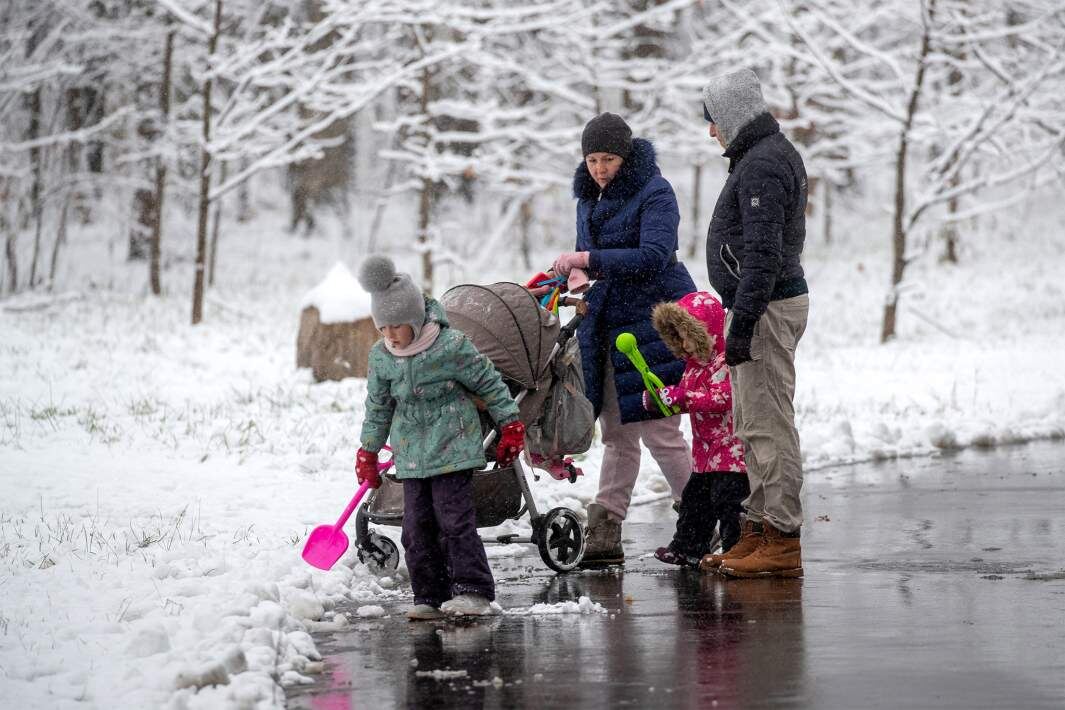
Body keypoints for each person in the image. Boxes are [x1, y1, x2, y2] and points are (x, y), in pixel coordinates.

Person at [550, 112, 696, 567]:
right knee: (616, 433)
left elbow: (654, 255)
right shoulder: (587, 198)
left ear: (626, 156)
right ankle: (606, 526)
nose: (599, 168)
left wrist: (588, 259)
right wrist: (577, 274)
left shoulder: (655, 191)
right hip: (606, 324)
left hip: (652, 321)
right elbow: (593, 260)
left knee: (660, 430)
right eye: (592, 159)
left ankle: (703, 517)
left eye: (608, 159)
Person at [354, 255, 526, 618]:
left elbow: (489, 383)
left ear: (415, 320)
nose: (390, 335)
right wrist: (368, 451)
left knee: (454, 522)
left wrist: (510, 423)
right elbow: (378, 407)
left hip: (453, 447)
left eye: (397, 326)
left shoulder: (450, 346)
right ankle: (429, 595)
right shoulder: (382, 357)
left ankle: (473, 590)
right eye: (383, 327)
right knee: (415, 528)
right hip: (411, 455)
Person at [697, 69, 810, 578]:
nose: (711, 131)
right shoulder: (760, 156)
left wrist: (743, 321)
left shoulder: (763, 163)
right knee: (751, 425)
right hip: (758, 306)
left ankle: (782, 539)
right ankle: (759, 529)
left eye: (714, 120)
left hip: (764, 308)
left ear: (733, 115)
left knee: (769, 426)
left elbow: (763, 253)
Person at [643, 291, 748, 568]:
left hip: (730, 454)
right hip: (704, 454)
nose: (685, 344)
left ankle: (735, 549)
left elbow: (723, 398)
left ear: (708, 332)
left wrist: (683, 397)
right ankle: (688, 546)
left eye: (690, 336)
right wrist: (664, 402)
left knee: (729, 504)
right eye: (679, 338)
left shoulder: (726, 361)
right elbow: (688, 399)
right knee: (694, 502)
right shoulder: (693, 367)